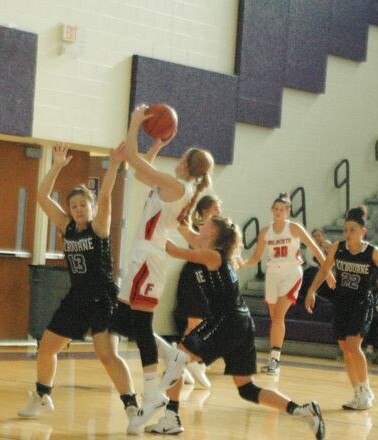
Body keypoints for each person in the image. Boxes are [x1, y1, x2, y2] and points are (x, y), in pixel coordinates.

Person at [143, 216, 325, 438]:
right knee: (247, 389)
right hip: (241, 321)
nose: (201, 225)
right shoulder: (213, 251)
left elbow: (175, 250)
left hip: (226, 320)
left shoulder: (212, 255)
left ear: (212, 233)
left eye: (207, 224)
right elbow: (189, 233)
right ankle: (302, 410)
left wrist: (151, 225)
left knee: (176, 358)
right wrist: (176, 213)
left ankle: (171, 418)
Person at [18, 143, 137, 420]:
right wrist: (57, 165)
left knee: (107, 355)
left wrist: (115, 164)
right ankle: (43, 396)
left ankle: (132, 406)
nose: (79, 209)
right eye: (74, 205)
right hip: (77, 298)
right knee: (47, 348)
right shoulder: (66, 226)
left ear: (92, 207)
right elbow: (42, 195)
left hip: (103, 298)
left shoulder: (99, 228)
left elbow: (106, 195)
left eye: (84, 204)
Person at [114, 104, 214, 432]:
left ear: (185, 163)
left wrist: (134, 123)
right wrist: (155, 145)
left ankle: (152, 389)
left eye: (180, 155)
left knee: (138, 323)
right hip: (146, 255)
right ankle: (171, 357)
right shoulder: (177, 188)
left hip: (148, 258)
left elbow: (130, 157)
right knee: (123, 319)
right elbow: (142, 173)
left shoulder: (177, 187)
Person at [305, 207, 378, 410]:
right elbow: (324, 269)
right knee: (345, 349)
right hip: (342, 302)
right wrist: (311, 292)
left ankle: (366, 390)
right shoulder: (337, 248)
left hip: (362, 302)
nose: (348, 233)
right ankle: (357, 393)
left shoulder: (372, 251)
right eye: (345, 229)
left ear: (363, 231)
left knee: (353, 346)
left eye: (352, 229)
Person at [239, 193, 335, 375]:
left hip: (291, 271)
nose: (277, 212)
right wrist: (241, 263)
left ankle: (274, 359)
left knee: (278, 317)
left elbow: (316, 249)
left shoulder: (295, 228)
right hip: (273, 272)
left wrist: (327, 273)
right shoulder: (265, 231)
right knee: (274, 317)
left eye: (281, 210)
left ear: (288, 211)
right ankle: (273, 358)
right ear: (271, 210)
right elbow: (256, 257)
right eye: (275, 209)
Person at [171, 195, 223, 389]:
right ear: (204, 210)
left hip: (205, 276)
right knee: (195, 322)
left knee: (198, 323)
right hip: (194, 275)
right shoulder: (200, 226)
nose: (219, 210)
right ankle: (190, 362)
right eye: (216, 207)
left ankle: (183, 362)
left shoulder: (217, 228)